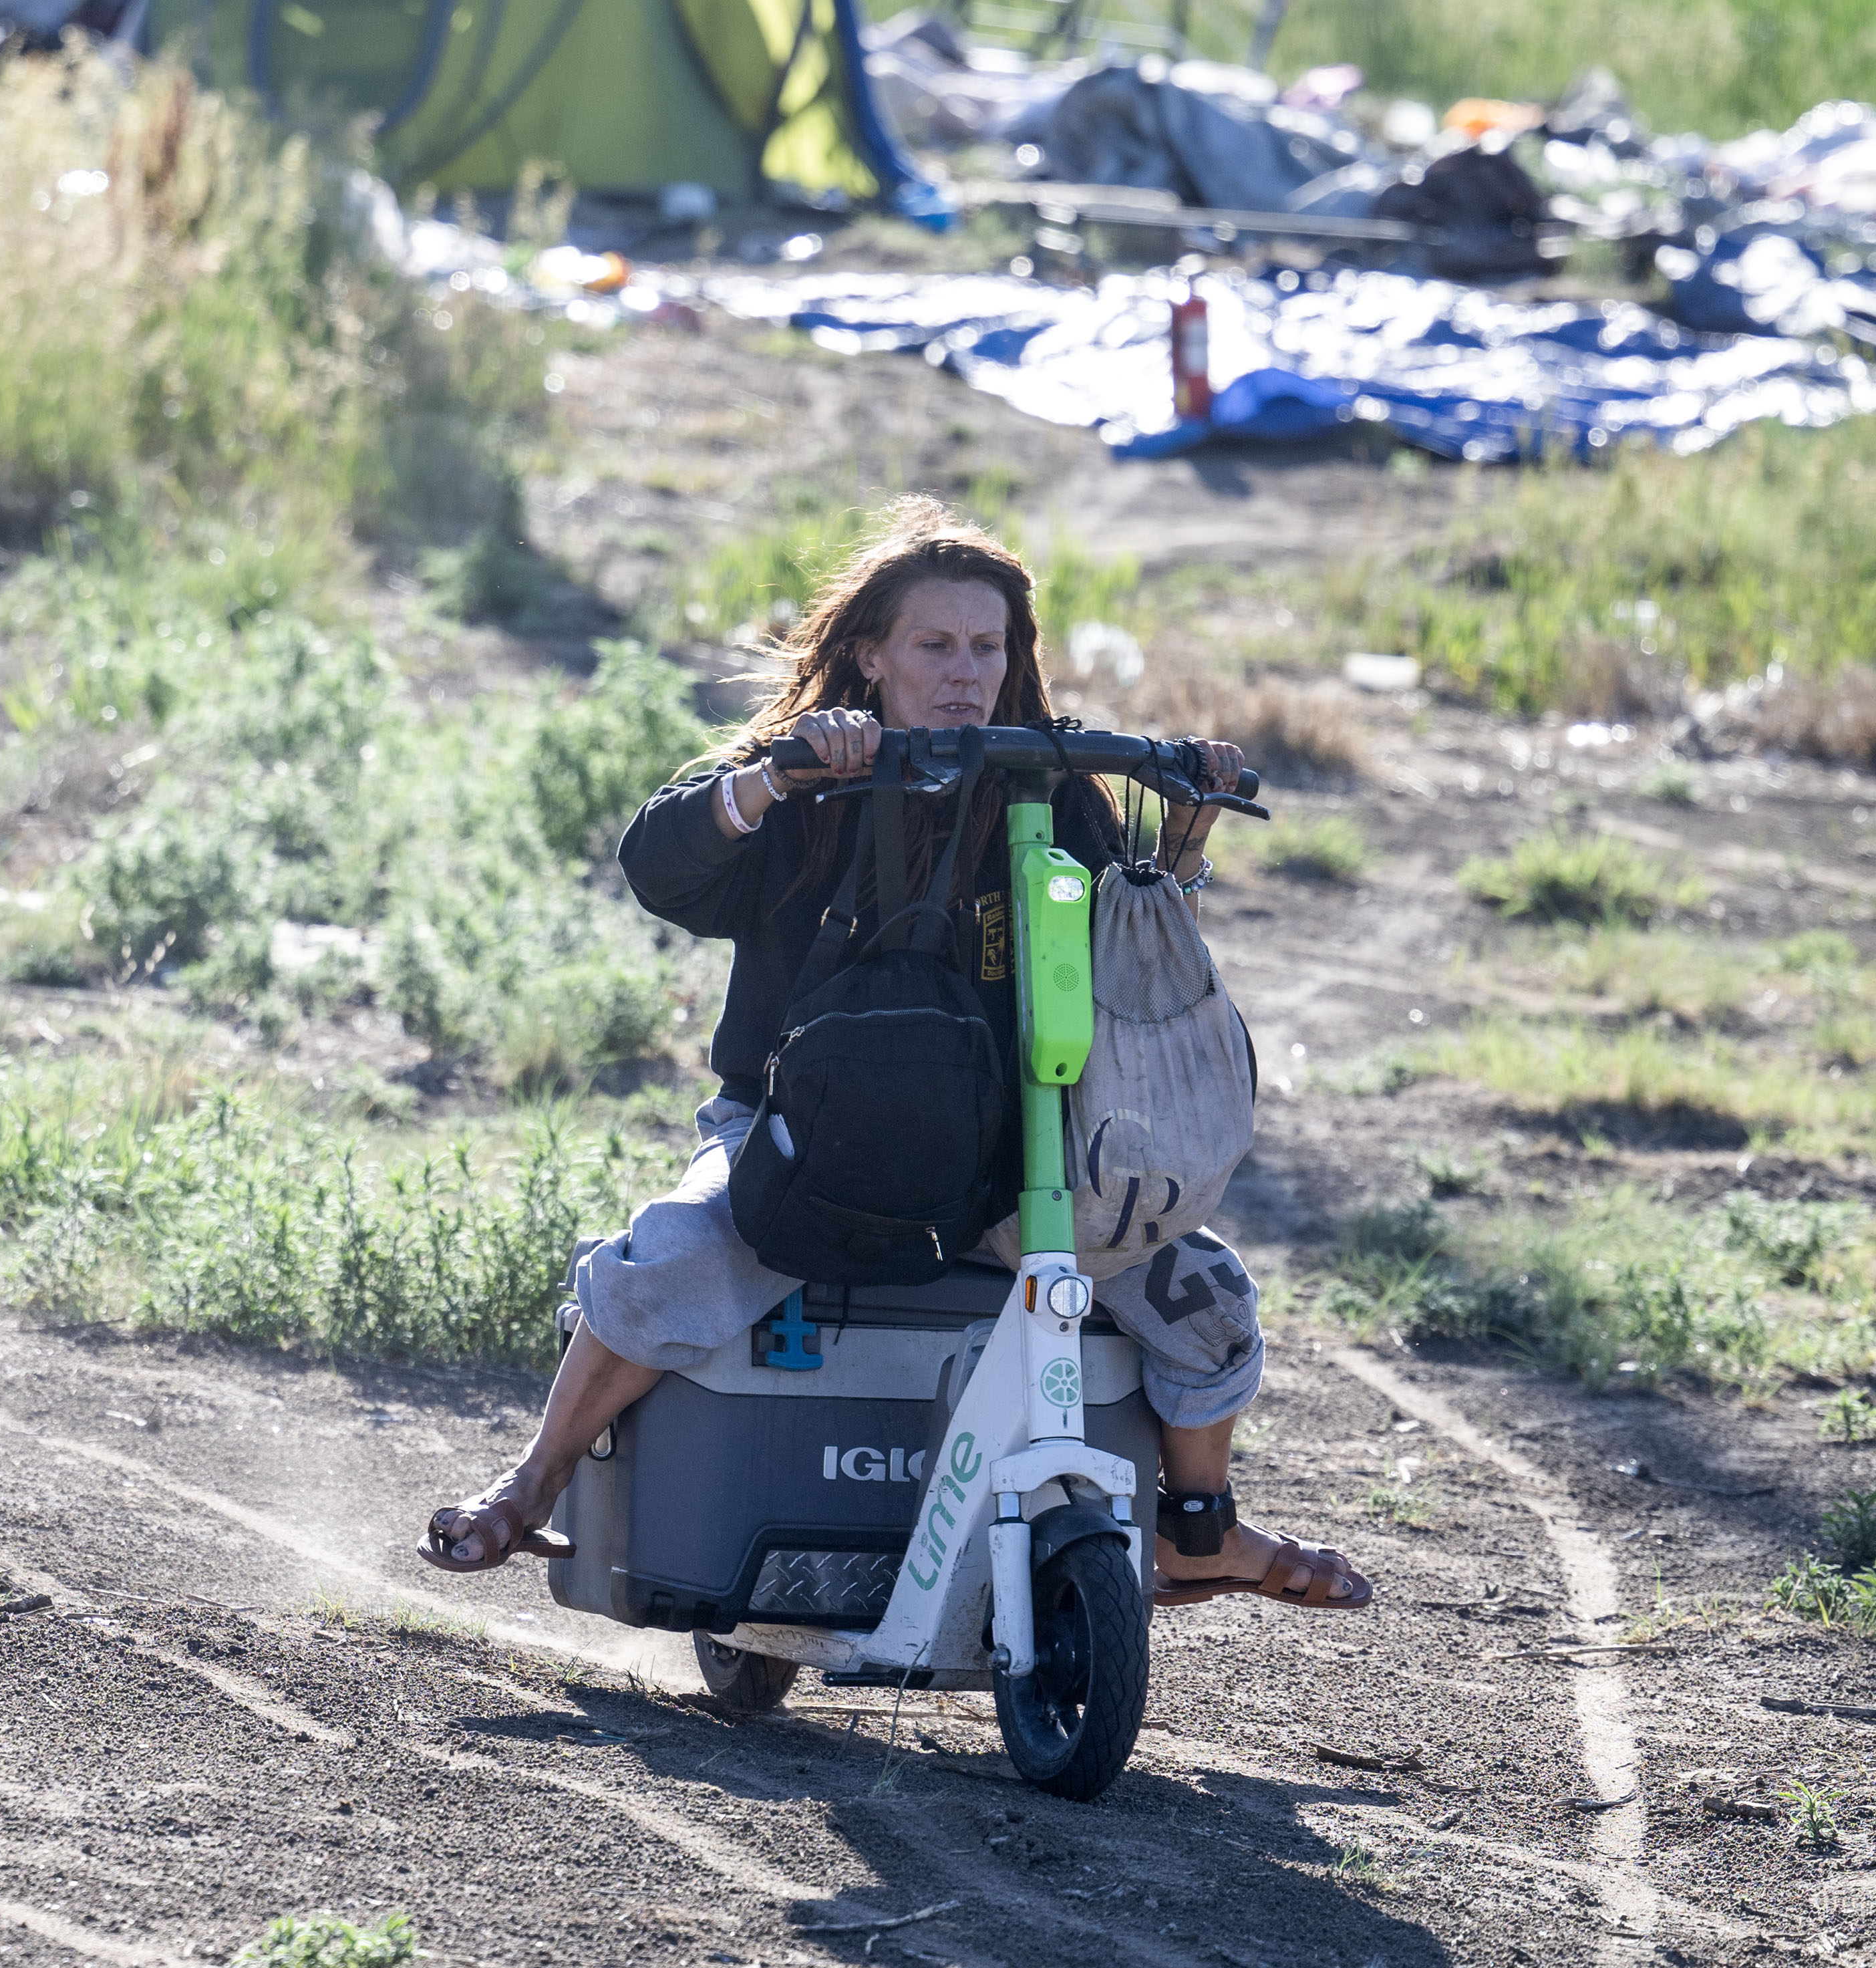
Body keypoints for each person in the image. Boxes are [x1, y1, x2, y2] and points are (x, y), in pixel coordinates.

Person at [422, 503, 1371, 1614]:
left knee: (1206, 1293)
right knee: (671, 1258)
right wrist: (780, 775)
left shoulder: (1052, 790)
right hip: (802, 1146)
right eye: (935, 646)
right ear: (870, 655)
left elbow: (1126, 980)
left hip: (1005, 1168)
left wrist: (1182, 849)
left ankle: (1197, 1533)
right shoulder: (798, 785)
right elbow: (659, 866)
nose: (966, 672)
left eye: (989, 647)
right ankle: (532, 1487)